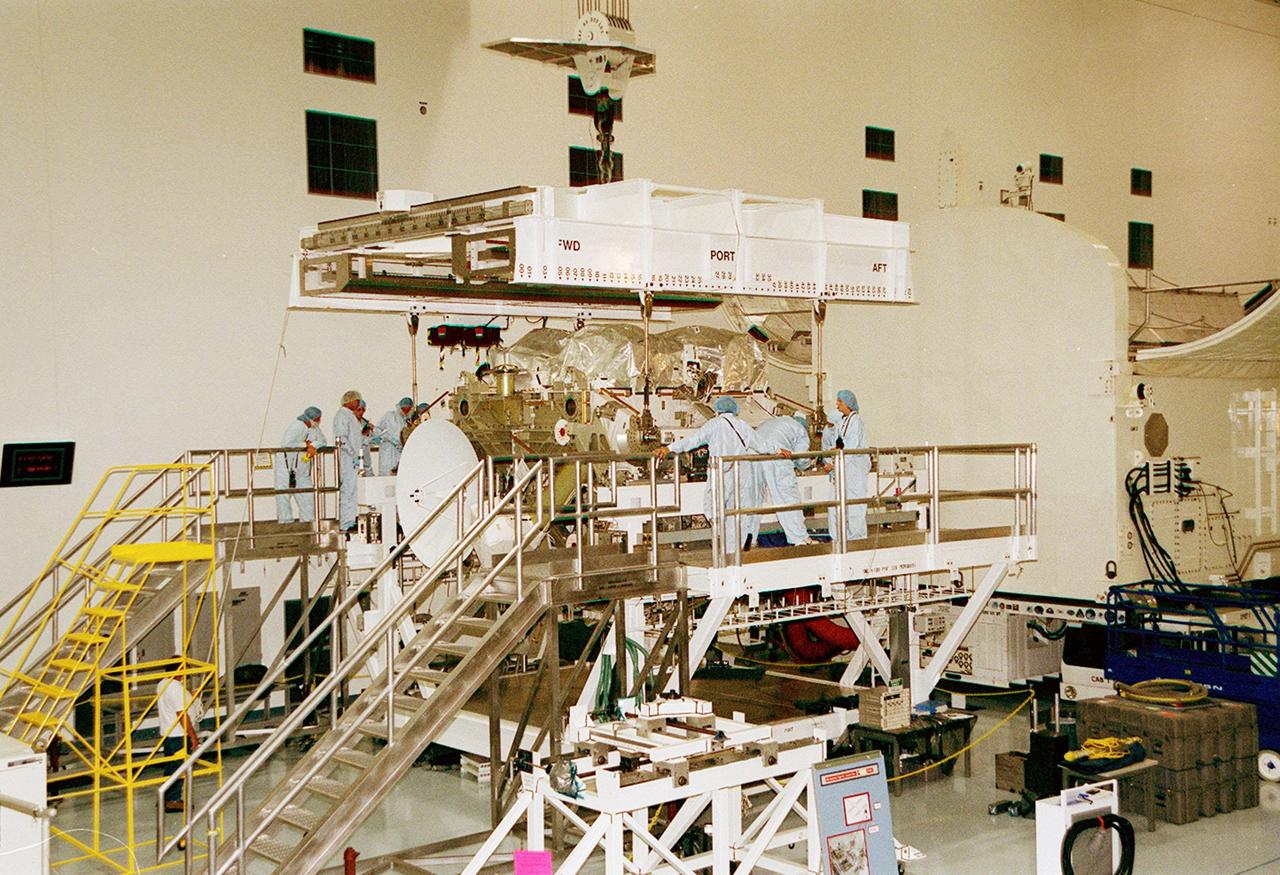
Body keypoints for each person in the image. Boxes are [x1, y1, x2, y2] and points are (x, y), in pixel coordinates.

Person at [655, 397, 760, 551]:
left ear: (717, 410)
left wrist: (669, 448)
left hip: (721, 470)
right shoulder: (742, 425)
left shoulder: (714, 424)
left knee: (712, 507)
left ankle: (723, 540)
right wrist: (778, 451)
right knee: (737, 511)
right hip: (741, 471)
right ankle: (733, 550)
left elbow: (693, 441)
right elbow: (760, 443)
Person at [751, 414, 816, 546]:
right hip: (776, 459)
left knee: (753, 501)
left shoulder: (770, 421)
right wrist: (807, 464)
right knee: (788, 499)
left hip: (752, 459)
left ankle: (747, 540)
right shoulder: (800, 429)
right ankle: (800, 539)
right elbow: (802, 458)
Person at [822, 388, 870, 542]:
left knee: (855, 506)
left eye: (840, 401)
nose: (837, 404)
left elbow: (851, 446)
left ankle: (857, 539)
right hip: (845, 468)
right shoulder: (843, 422)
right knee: (836, 505)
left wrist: (835, 460)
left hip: (854, 470)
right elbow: (841, 445)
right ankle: (838, 537)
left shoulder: (855, 421)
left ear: (848, 403)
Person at [156, 661, 201, 813]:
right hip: (178, 734)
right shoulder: (175, 689)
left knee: (171, 767)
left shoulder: (163, 683)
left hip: (168, 733)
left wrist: (191, 697)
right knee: (178, 768)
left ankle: (165, 797)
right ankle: (173, 800)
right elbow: (181, 715)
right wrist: (193, 736)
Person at [273, 406, 325, 523]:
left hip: (302, 468)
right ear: (310, 419)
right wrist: (305, 445)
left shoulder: (314, 429)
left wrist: (312, 445)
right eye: (318, 419)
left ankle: (308, 522)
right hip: (286, 467)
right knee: (283, 496)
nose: (319, 422)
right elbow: (286, 443)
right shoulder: (296, 426)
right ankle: (285, 522)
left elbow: (322, 441)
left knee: (307, 495)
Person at [333, 390, 364, 532]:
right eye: (357, 401)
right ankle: (346, 523)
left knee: (353, 491)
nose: (358, 403)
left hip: (353, 460)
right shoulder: (342, 416)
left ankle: (351, 519)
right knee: (347, 491)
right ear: (349, 401)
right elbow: (342, 438)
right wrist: (353, 455)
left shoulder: (350, 416)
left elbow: (355, 438)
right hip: (347, 460)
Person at [374, 397, 414, 475]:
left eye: (408, 409)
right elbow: (377, 429)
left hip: (400, 452)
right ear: (399, 407)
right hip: (388, 450)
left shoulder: (408, 421)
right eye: (404, 409)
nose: (405, 411)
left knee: (399, 475)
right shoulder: (389, 416)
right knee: (386, 476)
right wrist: (385, 438)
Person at [355, 400, 375, 473]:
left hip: (366, 459)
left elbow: (370, 438)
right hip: (354, 460)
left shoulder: (365, 422)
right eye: (359, 410)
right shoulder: (350, 423)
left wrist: (372, 431)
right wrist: (363, 435)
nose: (361, 412)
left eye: (363, 410)